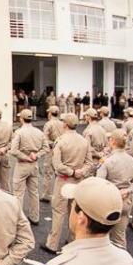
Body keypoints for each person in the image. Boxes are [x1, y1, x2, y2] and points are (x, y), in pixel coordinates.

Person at [46, 113, 93, 253]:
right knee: (75, 212)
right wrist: (81, 172)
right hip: (78, 180)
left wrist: (71, 172)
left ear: (65, 124)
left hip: (64, 180)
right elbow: (89, 162)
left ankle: (53, 243)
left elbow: (57, 165)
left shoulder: (60, 141)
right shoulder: (84, 141)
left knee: (58, 211)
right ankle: (73, 240)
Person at [96, 129, 133, 249]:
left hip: (109, 201)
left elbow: (99, 183)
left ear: (113, 141)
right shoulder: (132, 161)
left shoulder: (107, 161)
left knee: (102, 236)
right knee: (120, 236)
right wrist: (126, 190)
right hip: (126, 200)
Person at [10, 109, 50, 226]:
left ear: (21, 119)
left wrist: (26, 157)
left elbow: (13, 150)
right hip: (34, 165)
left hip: (22, 164)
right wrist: (36, 155)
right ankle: (35, 217)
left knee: (18, 193)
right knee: (34, 192)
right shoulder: (39, 132)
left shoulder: (19, 132)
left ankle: (17, 220)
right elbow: (46, 148)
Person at [41, 106, 66, 202]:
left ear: (50, 113)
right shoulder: (62, 123)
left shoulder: (48, 124)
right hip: (62, 150)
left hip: (52, 150)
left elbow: (45, 139)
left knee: (48, 173)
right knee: (59, 172)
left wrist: (53, 143)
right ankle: (60, 193)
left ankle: (47, 194)